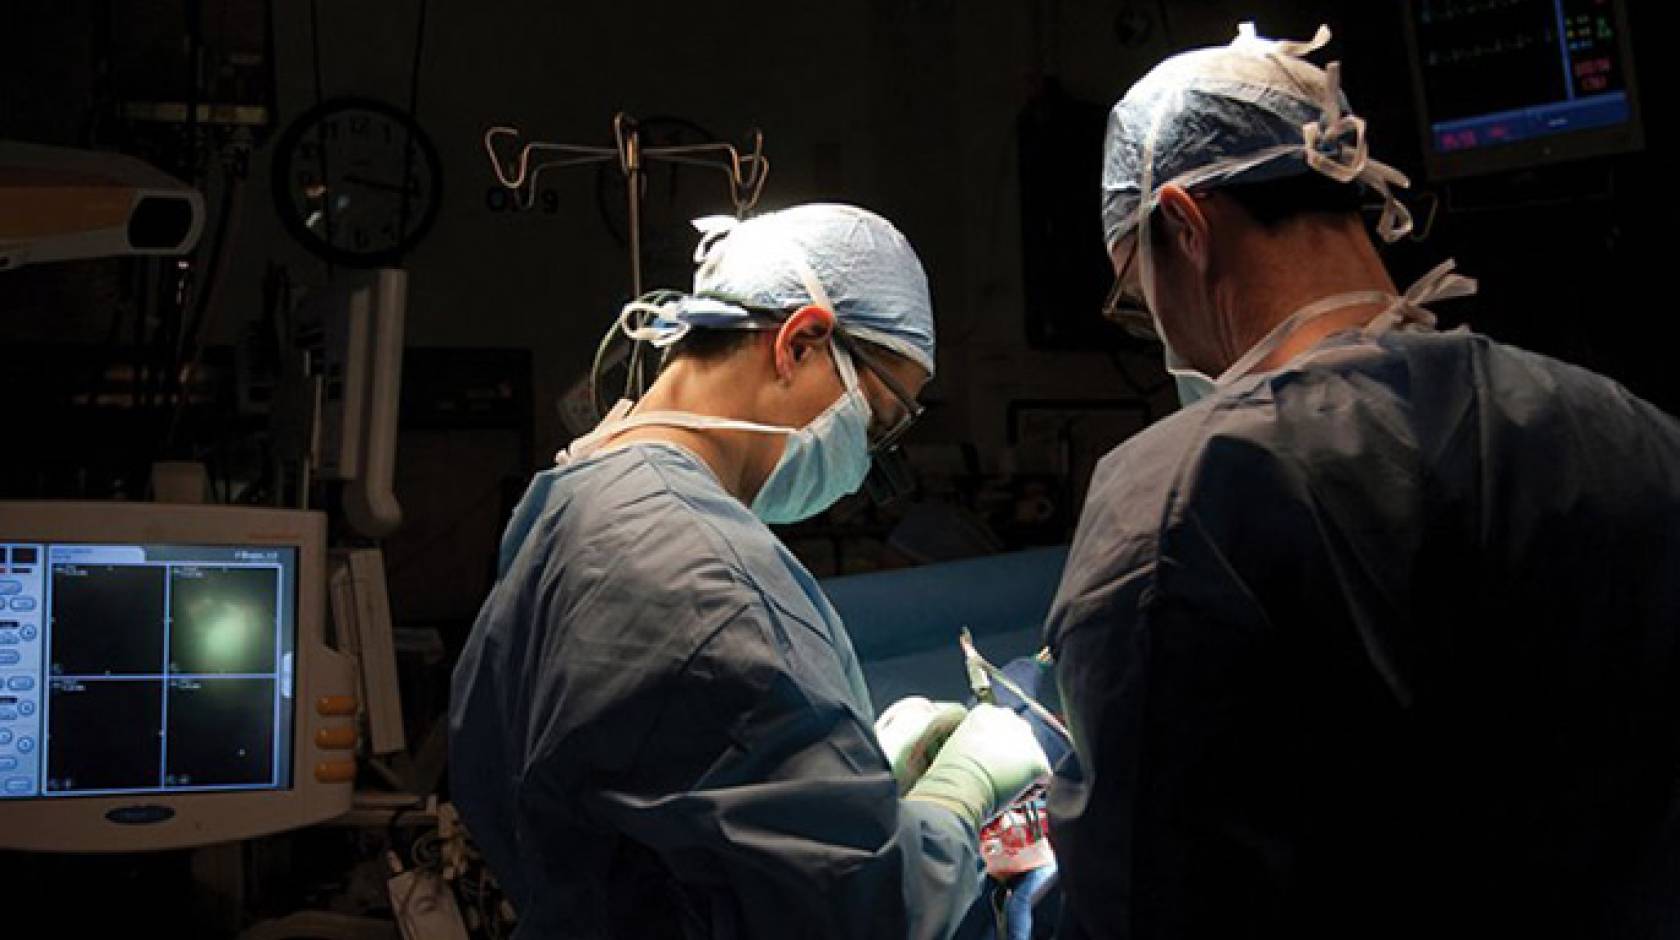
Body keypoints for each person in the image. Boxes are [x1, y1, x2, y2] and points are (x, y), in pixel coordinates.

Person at [1045, 23, 1680, 939]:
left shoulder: (1184, 500)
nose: (1164, 339)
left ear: (1183, 226)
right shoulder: (1627, 428)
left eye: (1141, 300)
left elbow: (1146, 894)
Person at [450, 203, 1049, 939]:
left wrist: (840, 785)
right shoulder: (703, 574)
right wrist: (958, 796)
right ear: (799, 342)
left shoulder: (568, 501)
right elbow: (868, 912)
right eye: (882, 418)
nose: (868, 460)